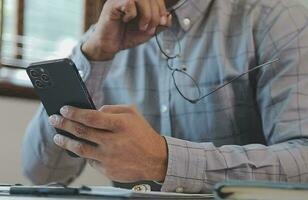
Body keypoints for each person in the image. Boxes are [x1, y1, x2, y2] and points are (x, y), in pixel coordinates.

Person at [22, 0, 308, 193]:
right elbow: (43, 174)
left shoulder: (278, 17)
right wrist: (93, 57)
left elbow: (304, 160)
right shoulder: (102, 38)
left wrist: (163, 160)